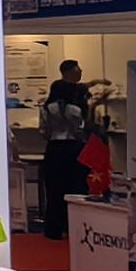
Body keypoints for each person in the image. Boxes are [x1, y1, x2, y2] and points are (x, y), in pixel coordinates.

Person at [36, 61, 97, 233]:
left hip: (54, 149)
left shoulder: (46, 108)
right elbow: (83, 130)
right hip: (74, 148)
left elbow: (44, 132)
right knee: (76, 188)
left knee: (54, 190)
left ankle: (53, 229)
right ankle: (74, 228)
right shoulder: (76, 110)